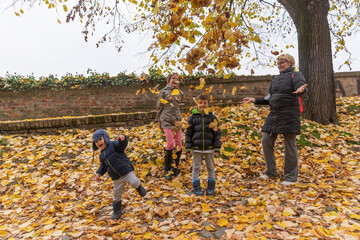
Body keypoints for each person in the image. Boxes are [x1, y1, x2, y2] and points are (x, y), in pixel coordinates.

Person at [242, 53, 308, 186]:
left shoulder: (296, 75)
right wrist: (254, 99)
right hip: (274, 115)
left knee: (289, 145)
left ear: (290, 63)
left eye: (282, 62)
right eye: (278, 63)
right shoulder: (275, 79)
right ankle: (271, 172)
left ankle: (290, 177)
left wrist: (301, 90)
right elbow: (269, 98)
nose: (279, 65)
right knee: (266, 140)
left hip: (289, 114)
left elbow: (301, 86)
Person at [93, 129, 146, 220]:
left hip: (126, 171)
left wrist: (123, 139)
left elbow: (122, 146)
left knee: (134, 182)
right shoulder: (101, 156)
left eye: (100, 140)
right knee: (116, 194)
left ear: (105, 138)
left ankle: (139, 187)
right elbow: (103, 166)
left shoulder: (113, 144)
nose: (98, 143)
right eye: (96, 142)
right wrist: (98, 173)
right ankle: (117, 211)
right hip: (116, 178)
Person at [185, 94, 222, 196]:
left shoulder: (212, 117)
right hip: (197, 148)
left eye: (205, 103)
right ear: (196, 103)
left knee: (210, 167)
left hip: (209, 148)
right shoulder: (192, 118)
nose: (202, 105)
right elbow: (188, 134)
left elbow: (217, 133)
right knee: (196, 167)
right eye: (200, 103)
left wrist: (217, 147)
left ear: (208, 104)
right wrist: (188, 147)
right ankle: (196, 186)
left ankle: (211, 186)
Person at [155, 73, 184, 180]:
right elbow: (159, 106)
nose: (175, 80)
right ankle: (167, 168)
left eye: (177, 79)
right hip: (166, 120)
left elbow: (179, 107)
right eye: (173, 78)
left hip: (177, 122)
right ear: (168, 80)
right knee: (170, 143)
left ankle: (175, 166)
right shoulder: (163, 92)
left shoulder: (180, 93)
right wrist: (158, 120)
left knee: (179, 144)